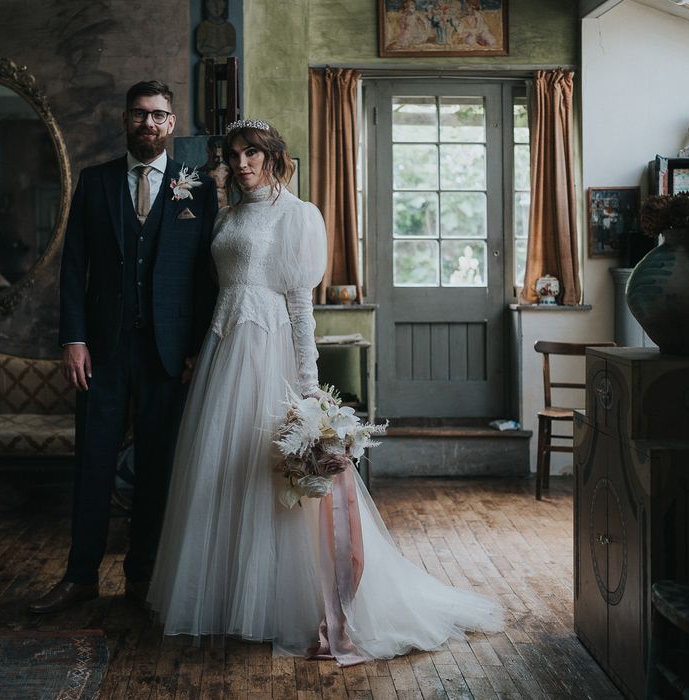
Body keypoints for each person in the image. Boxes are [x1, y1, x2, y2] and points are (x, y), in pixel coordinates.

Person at [146, 119, 503, 665]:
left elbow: (300, 308)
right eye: (234, 154)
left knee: (275, 475)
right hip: (225, 350)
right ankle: (224, 601)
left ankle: (284, 605)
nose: (241, 163)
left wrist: (310, 394)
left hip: (270, 354)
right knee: (223, 471)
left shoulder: (298, 215)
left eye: (252, 154)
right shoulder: (227, 214)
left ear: (273, 157)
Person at [29, 80, 218, 614]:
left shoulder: (197, 186)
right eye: (139, 115)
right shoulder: (95, 181)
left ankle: (142, 576)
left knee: (156, 465)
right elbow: (73, 268)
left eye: (158, 116)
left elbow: (206, 276)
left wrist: (196, 347)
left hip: (167, 351)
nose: (148, 124)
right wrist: (74, 339)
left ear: (172, 123)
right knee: (92, 461)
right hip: (102, 351)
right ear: (125, 120)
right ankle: (80, 576)